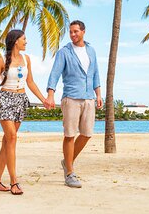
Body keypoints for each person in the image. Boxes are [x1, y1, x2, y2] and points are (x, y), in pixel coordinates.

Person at [0, 29, 51, 195]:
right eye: (24, 39)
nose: (26, 42)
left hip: (21, 101)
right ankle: (14, 181)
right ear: (16, 41)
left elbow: (30, 82)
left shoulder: (26, 59)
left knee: (7, 142)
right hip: (5, 100)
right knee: (12, 137)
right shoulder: (1, 60)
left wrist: (43, 99)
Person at [44, 20, 102, 188]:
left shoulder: (91, 50)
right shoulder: (64, 52)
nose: (73, 34)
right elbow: (54, 73)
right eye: (71, 32)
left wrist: (98, 94)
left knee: (86, 134)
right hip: (71, 97)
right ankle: (69, 172)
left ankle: (66, 161)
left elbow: (96, 73)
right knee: (70, 135)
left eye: (76, 31)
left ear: (83, 32)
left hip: (89, 98)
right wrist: (50, 95)